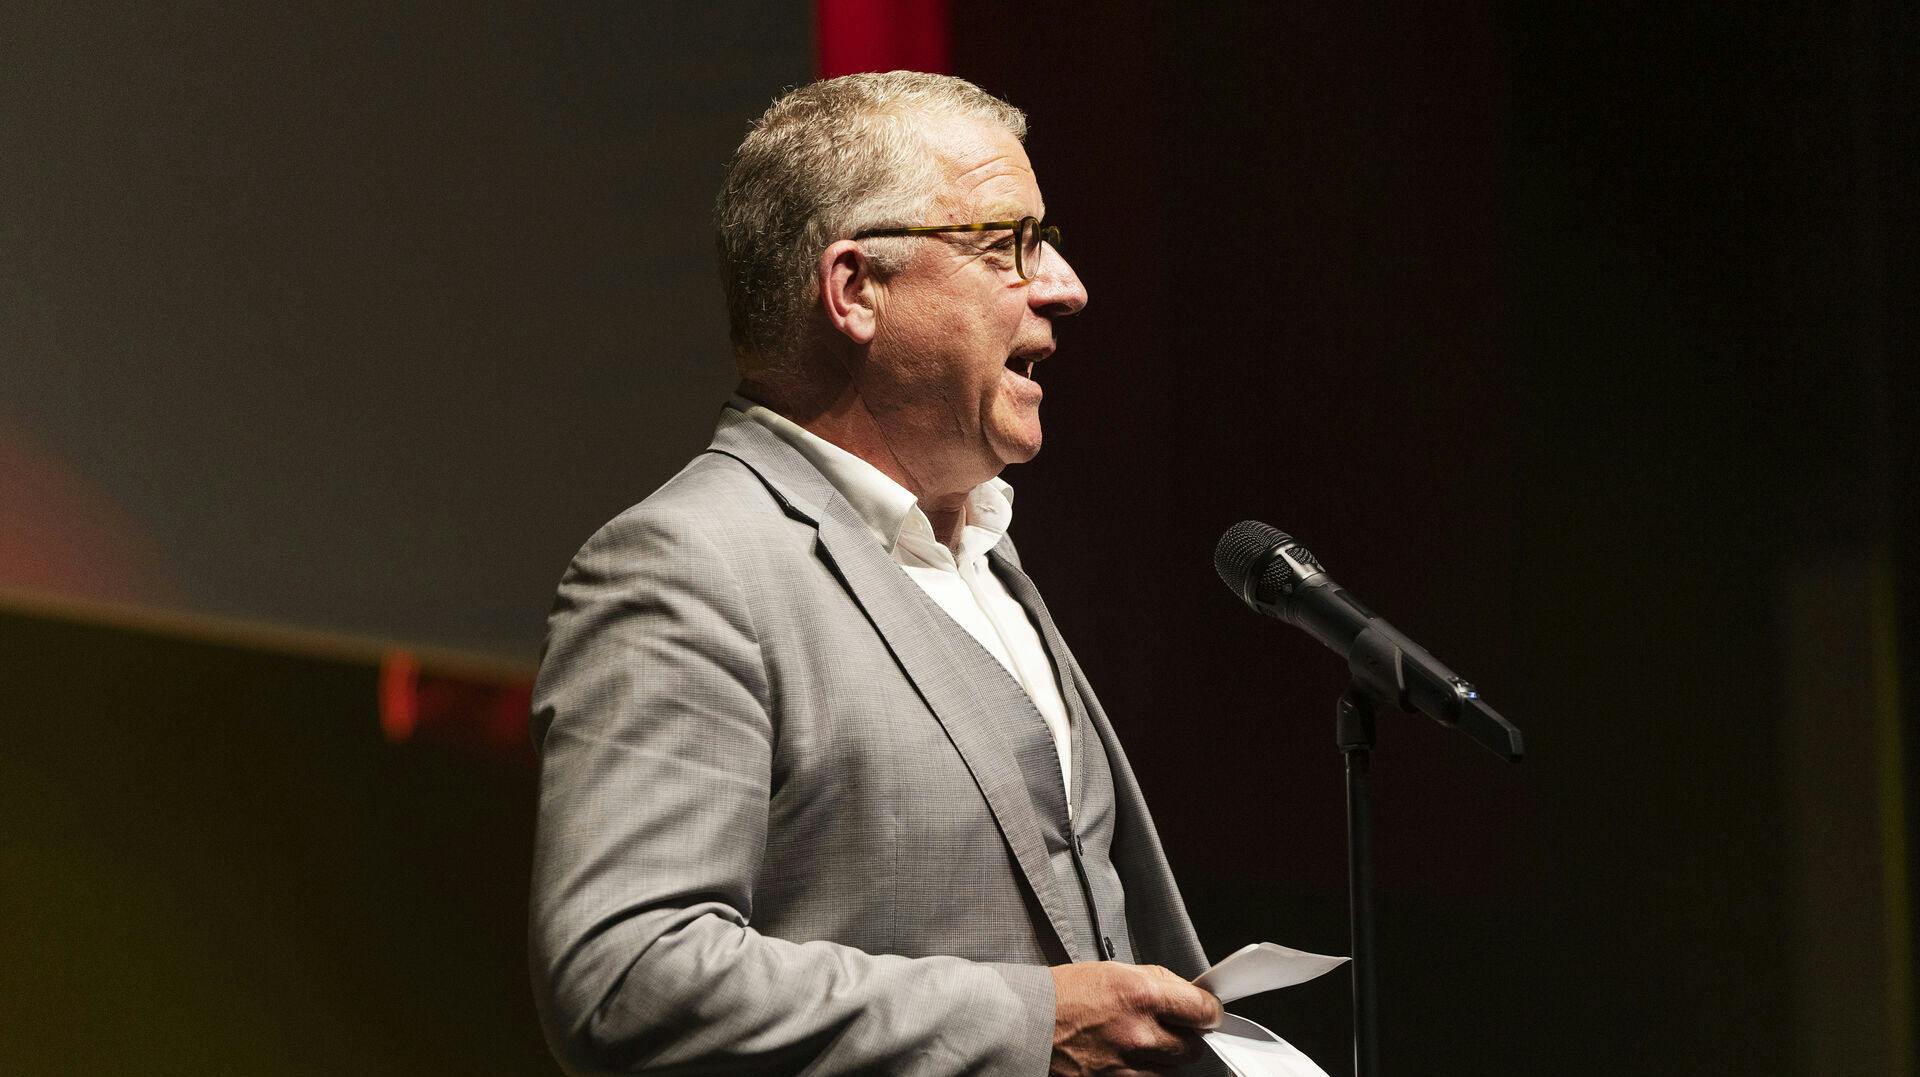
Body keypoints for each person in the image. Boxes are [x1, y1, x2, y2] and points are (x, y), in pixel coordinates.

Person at [529, 71, 1225, 1076]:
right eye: (1010, 244)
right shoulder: (688, 568)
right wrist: (1028, 1024)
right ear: (855, 289)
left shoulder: (980, 548)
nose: (1066, 285)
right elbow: (627, 978)